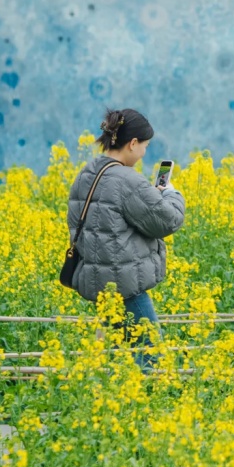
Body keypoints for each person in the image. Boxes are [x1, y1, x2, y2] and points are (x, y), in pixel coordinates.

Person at [66, 108, 185, 366]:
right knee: (151, 357)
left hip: (99, 286)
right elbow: (168, 220)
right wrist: (170, 194)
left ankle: (121, 403)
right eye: (144, 146)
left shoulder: (87, 173)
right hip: (125, 286)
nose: (143, 154)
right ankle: (144, 404)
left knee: (125, 358)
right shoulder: (126, 180)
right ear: (132, 144)